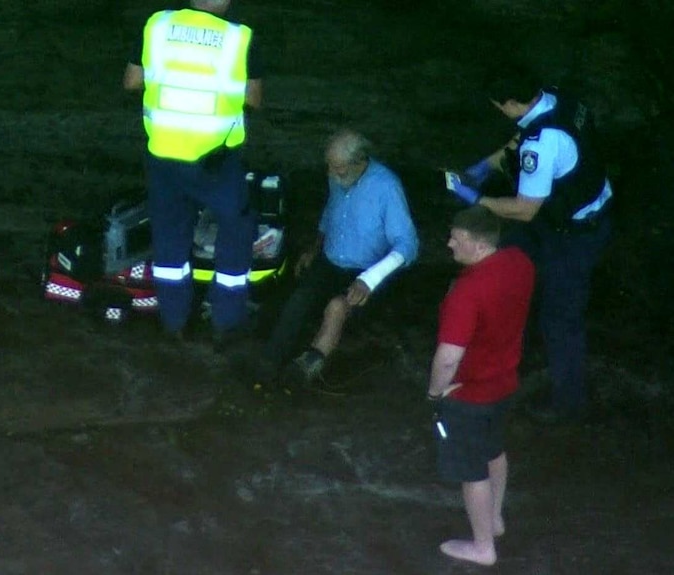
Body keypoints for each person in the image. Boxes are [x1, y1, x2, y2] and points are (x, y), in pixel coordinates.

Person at [445, 82, 613, 421]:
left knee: (560, 318)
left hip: (573, 234)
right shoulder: (560, 99)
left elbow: (524, 209)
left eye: (498, 105)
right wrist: (483, 167)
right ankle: (489, 341)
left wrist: (477, 199)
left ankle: (569, 404)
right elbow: (518, 140)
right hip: (568, 213)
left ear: (509, 103)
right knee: (503, 261)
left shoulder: (543, 142)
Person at [122, 0, 264, 345]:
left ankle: (174, 322)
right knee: (236, 228)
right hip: (216, 163)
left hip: (164, 157)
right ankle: (226, 322)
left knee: (169, 236)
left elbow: (131, 81)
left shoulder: (156, 25)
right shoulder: (240, 38)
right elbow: (254, 100)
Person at [260, 129, 419, 384]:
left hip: (366, 269)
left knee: (337, 307)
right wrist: (315, 247)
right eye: (330, 166)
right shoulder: (339, 176)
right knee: (299, 298)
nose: (332, 174)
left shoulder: (387, 187)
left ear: (360, 162)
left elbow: (408, 246)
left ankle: (307, 366)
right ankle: (269, 361)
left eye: (338, 168)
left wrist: (370, 278)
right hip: (330, 260)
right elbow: (331, 213)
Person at [427, 205, 535, 567]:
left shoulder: (467, 292)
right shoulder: (520, 263)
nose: (449, 244)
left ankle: (482, 547)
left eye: (456, 239)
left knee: (473, 472)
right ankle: (495, 519)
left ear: (475, 244)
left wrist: (435, 391)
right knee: (494, 451)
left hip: (469, 395)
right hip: (504, 383)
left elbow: (447, 357)